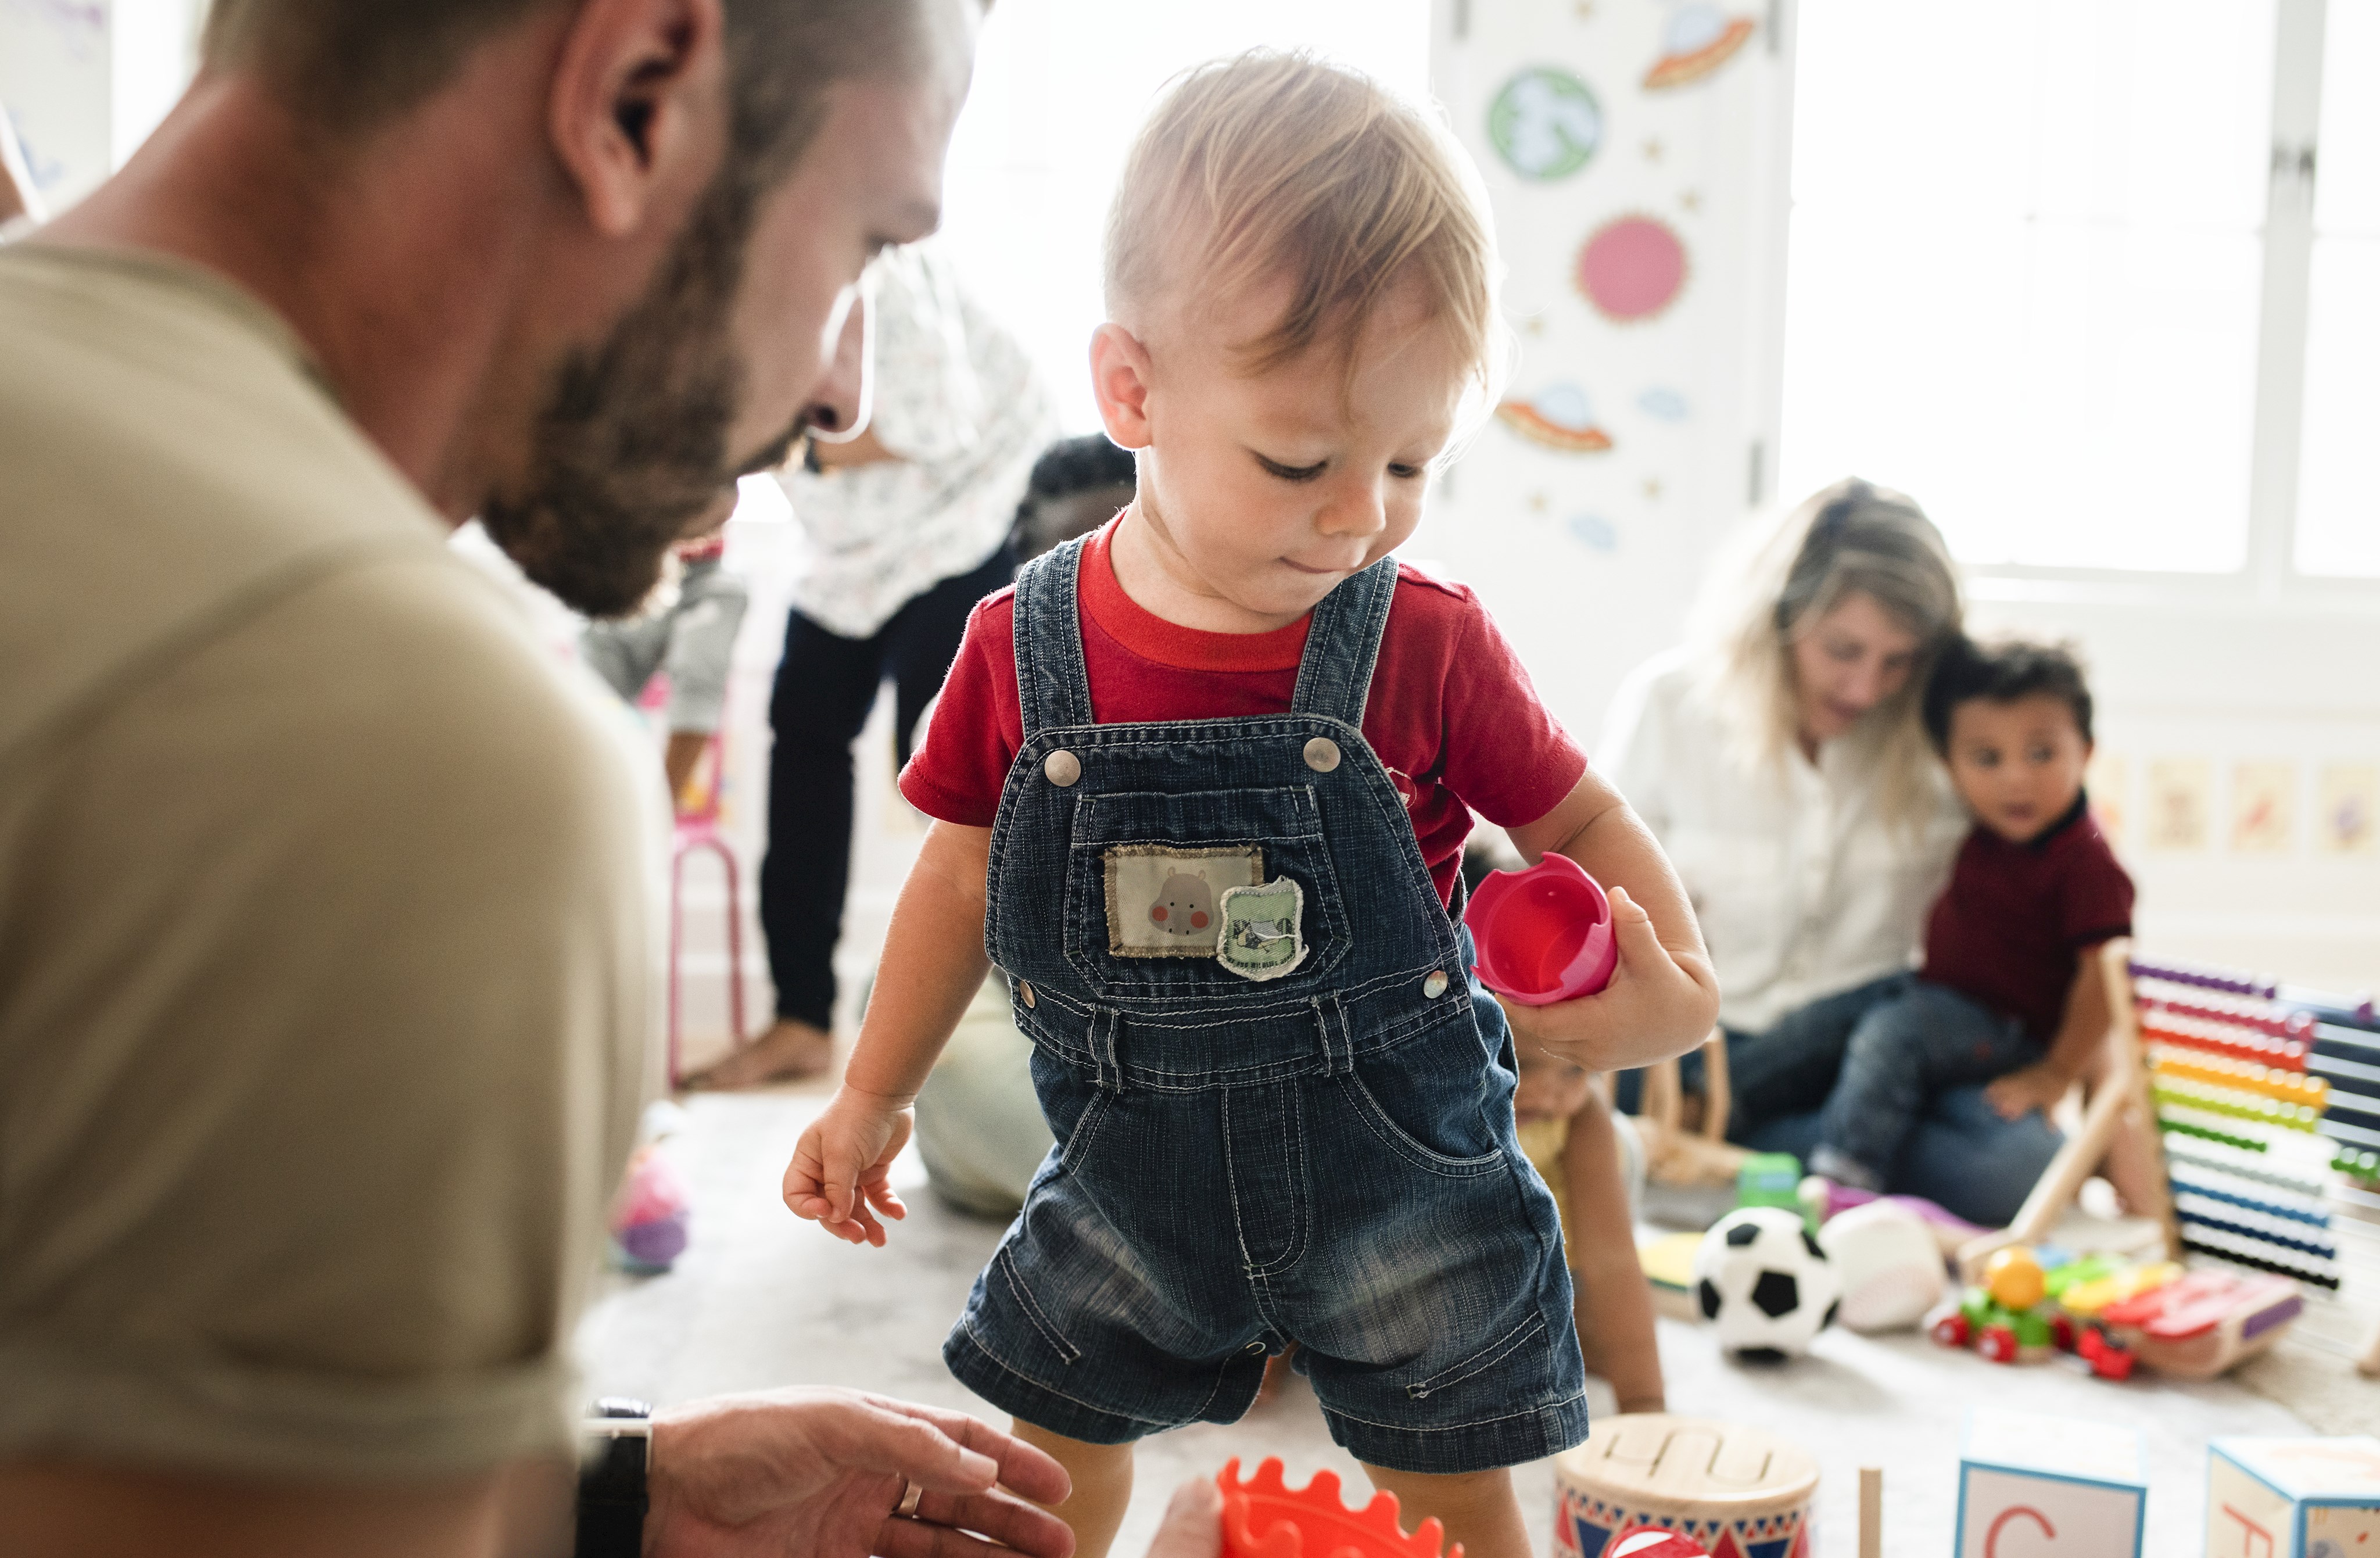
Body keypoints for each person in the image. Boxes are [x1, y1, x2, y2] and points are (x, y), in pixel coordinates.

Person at [0, 1, 1221, 1554]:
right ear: (637, 94)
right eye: (861, 244)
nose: (844, 394)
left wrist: (606, 1500)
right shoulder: (401, 747)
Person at [780, 54, 1721, 1558]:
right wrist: (871, 1091)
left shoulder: (1425, 636)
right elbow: (957, 884)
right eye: (1301, 460)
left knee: (1457, 1478)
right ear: (1131, 391)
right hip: (1126, 1163)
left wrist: (1674, 989)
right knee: (1050, 1441)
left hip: (1397, 1165)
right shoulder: (1021, 647)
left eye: (1413, 461)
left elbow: (1586, 825)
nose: (1361, 513)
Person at [1601, 478, 2064, 1229]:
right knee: (1575, 1110)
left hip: (1870, 1069)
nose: (1864, 687)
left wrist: (2063, 1060)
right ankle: (1811, 1169)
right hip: (1697, 1052)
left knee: (2017, 1168)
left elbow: (2047, 891)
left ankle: (1755, 1163)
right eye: (1843, 650)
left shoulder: (1942, 740)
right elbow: (1596, 906)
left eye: (1899, 661)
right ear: (1778, 618)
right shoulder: (1669, 706)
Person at [700, 241, 1056, 1087]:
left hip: (964, 510)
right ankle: (799, 1018)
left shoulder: (880, 272)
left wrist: (758, 443)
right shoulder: (723, 291)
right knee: (803, 738)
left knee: (945, 770)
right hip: (849, 548)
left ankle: (1006, 1013)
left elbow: (933, 424)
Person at [1808, 639, 2134, 1189]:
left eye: (2042, 754)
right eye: (1987, 758)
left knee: (1893, 1035)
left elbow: (2105, 978)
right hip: (1937, 996)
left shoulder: (2086, 862)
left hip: (2002, 1027)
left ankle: (1847, 1177)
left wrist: (2058, 1071)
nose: (2016, 779)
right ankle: (1719, 1103)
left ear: (2087, 751)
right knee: (1822, 1026)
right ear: (1949, 766)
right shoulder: (1989, 829)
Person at [581, 496, 753, 805]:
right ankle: (589, 798)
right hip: (630, 564)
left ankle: (664, 811)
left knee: (699, 665)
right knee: (590, 679)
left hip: (706, 572)